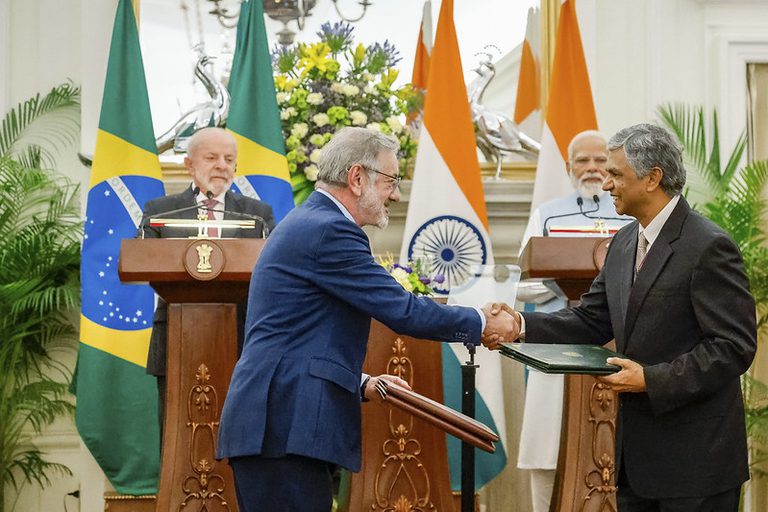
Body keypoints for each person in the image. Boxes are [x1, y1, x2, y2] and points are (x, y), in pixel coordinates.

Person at [216, 127, 518, 512]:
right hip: (283, 428)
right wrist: (481, 322)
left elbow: (299, 336)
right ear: (357, 178)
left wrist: (362, 383)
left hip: (280, 426)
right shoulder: (330, 229)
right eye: (391, 181)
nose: (396, 193)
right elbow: (402, 310)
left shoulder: (311, 222)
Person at [489, 123, 757, 512]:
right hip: (635, 466)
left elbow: (733, 348)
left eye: (616, 173)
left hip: (697, 466)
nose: (607, 183)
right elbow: (590, 321)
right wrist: (520, 324)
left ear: (652, 178)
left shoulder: (709, 246)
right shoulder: (624, 243)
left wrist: (649, 379)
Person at [516, 130, 632, 512]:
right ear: (569, 167)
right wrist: (565, 286)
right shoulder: (546, 214)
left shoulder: (629, 214)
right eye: (583, 160)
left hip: (622, 347)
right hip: (559, 344)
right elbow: (522, 282)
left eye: (601, 160)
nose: (593, 168)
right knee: (550, 447)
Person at [139, 127, 275, 434]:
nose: (222, 166)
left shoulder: (257, 215)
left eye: (229, 159)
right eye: (211, 157)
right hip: (176, 334)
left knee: (236, 431)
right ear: (189, 164)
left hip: (241, 338)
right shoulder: (161, 212)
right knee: (177, 430)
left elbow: (275, 269)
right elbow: (143, 257)